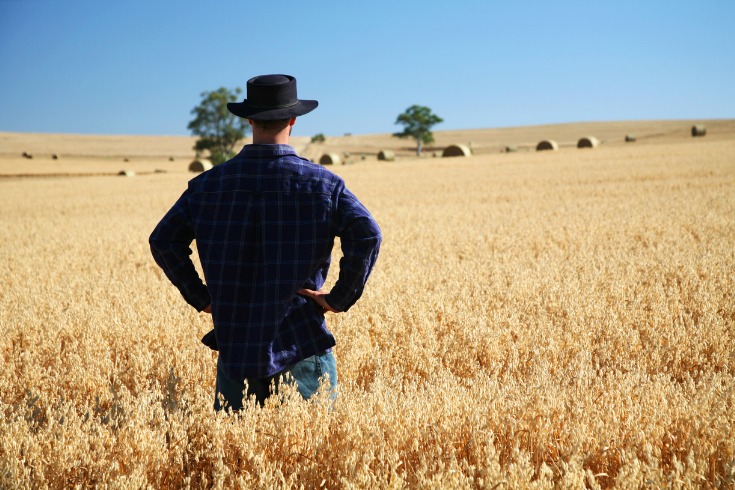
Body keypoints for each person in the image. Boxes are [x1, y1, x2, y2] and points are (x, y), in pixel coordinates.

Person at [149, 74, 381, 411]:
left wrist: (203, 298)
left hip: (235, 349)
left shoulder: (208, 185)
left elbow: (163, 240)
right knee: (310, 456)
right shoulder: (323, 184)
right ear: (293, 120)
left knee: (238, 459)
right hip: (302, 342)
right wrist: (338, 299)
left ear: (248, 119)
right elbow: (368, 234)